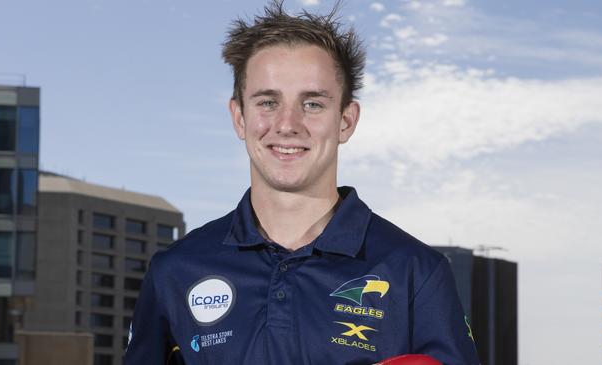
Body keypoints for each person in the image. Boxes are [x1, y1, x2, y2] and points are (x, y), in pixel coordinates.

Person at [124, 2, 480, 364]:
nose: (288, 124)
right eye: (267, 101)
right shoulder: (175, 269)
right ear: (239, 117)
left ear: (346, 121)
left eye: (312, 104)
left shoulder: (415, 272)